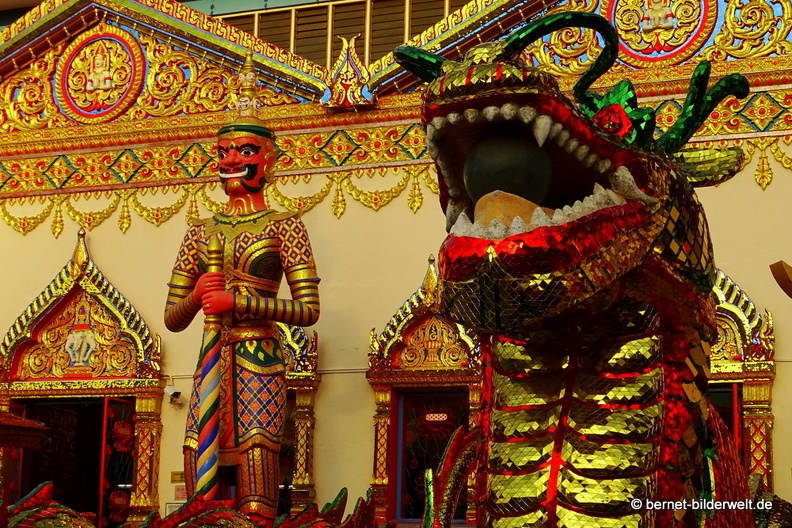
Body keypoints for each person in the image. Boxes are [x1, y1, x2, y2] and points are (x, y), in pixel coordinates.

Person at [164, 114, 320, 527]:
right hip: (211, 360)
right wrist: (197, 295)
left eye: (246, 151)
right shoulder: (199, 232)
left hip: (258, 357)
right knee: (196, 454)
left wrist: (236, 300)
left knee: (257, 452)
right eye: (223, 152)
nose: (231, 159)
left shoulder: (284, 226)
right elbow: (172, 318)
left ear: (270, 159)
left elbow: (308, 310)